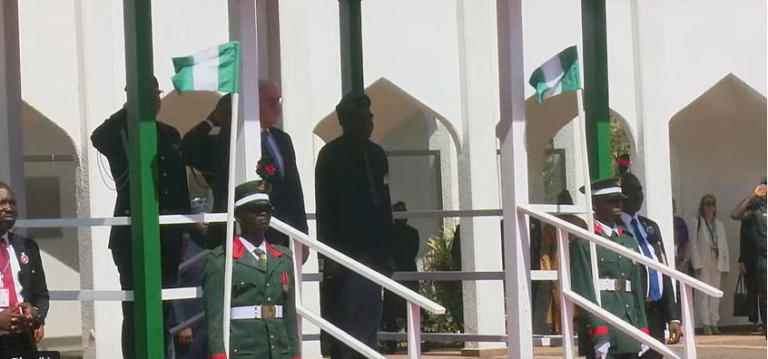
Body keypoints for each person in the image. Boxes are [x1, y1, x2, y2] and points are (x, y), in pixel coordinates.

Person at [91, 76, 190, 358]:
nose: (153, 101)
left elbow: (180, 187)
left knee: (164, 306)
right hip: (130, 235)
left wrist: (184, 230)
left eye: (155, 95)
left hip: (167, 235)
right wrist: (130, 107)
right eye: (146, 95)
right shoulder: (121, 131)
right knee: (134, 308)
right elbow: (98, 137)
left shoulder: (170, 134)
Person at [181, 81, 310, 263]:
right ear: (251, 103)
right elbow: (186, 149)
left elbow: (294, 191)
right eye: (270, 101)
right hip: (242, 237)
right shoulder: (228, 139)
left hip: (281, 236)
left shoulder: (282, 139)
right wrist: (214, 119)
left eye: (278, 101)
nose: (276, 107)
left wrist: (302, 235)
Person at [316, 93, 393, 359]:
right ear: (347, 121)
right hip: (344, 251)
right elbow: (325, 208)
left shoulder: (377, 154)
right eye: (362, 118)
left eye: (369, 117)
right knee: (346, 316)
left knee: (371, 311)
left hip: (372, 251)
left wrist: (387, 252)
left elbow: (385, 205)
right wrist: (329, 255)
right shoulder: (331, 155)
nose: (368, 123)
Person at [203, 179, 300, 359]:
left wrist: (295, 354)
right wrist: (218, 354)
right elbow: (214, 318)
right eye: (255, 209)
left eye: (267, 209)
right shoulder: (222, 260)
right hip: (245, 349)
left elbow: (288, 315)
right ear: (238, 215)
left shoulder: (282, 258)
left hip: (279, 350)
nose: (263, 213)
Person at [571, 177, 649, 359]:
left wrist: (642, 328)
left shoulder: (628, 241)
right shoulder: (585, 242)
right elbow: (584, 290)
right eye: (612, 201)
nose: (619, 204)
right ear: (596, 204)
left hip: (628, 320)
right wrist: (598, 331)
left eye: (620, 200)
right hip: (604, 321)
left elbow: (636, 287)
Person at [619, 172, 682, 358]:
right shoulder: (616, 229)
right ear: (622, 195)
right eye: (633, 191)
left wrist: (673, 316)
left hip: (656, 314)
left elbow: (663, 269)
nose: (640, 195)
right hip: (634, 312)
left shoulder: (650, 227)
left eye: (641, 190)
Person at [0, 183, 49, 355]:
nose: (9, 208)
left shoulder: (28, 247)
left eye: (13, 203)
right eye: (2, 202)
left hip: (20, 341)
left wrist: (35, 315)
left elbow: (41, 295)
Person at [540, 189, 587, 334]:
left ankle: (577, 331)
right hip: (559, 264)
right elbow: (545, 250)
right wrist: (547, 273)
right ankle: (560, 331)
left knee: (578, 298)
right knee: (559, 298)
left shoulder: (580, 223)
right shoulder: (552, 224)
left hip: (577, 263)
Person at [170, 199, 209, 359]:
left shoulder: (212, 245)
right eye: (200, 218)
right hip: (189, 323)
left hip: (207, 320)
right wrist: (181, 324)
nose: (205, 223)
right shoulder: (182, 248)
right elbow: (174, 285)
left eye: (207, 218)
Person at [381, 201, 420, 353]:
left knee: (391, 309)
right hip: (408, 271)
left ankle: (392, 343)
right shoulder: (413, 233)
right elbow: (414, 251)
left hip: (394, 272)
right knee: (407, 308)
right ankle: (413, 341)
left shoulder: (387, 233)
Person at [687, 194, 729, 335]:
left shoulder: (719, 224)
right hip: (703, 262)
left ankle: (714, 322)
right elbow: (692, 244)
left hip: (716, 261)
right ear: (702, 206)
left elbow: (724, 245)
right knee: (703, 293)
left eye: (712, 203)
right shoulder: (697, 222)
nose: (710, 206)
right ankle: (705, 322)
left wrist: (725, 265)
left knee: (715, 293)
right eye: (707, 203)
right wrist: (696, 263)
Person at [731, 177, 767, 337]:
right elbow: (735, 214)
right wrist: (753, 195)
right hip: (761, 259)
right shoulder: (756, 209)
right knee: (762, 296)